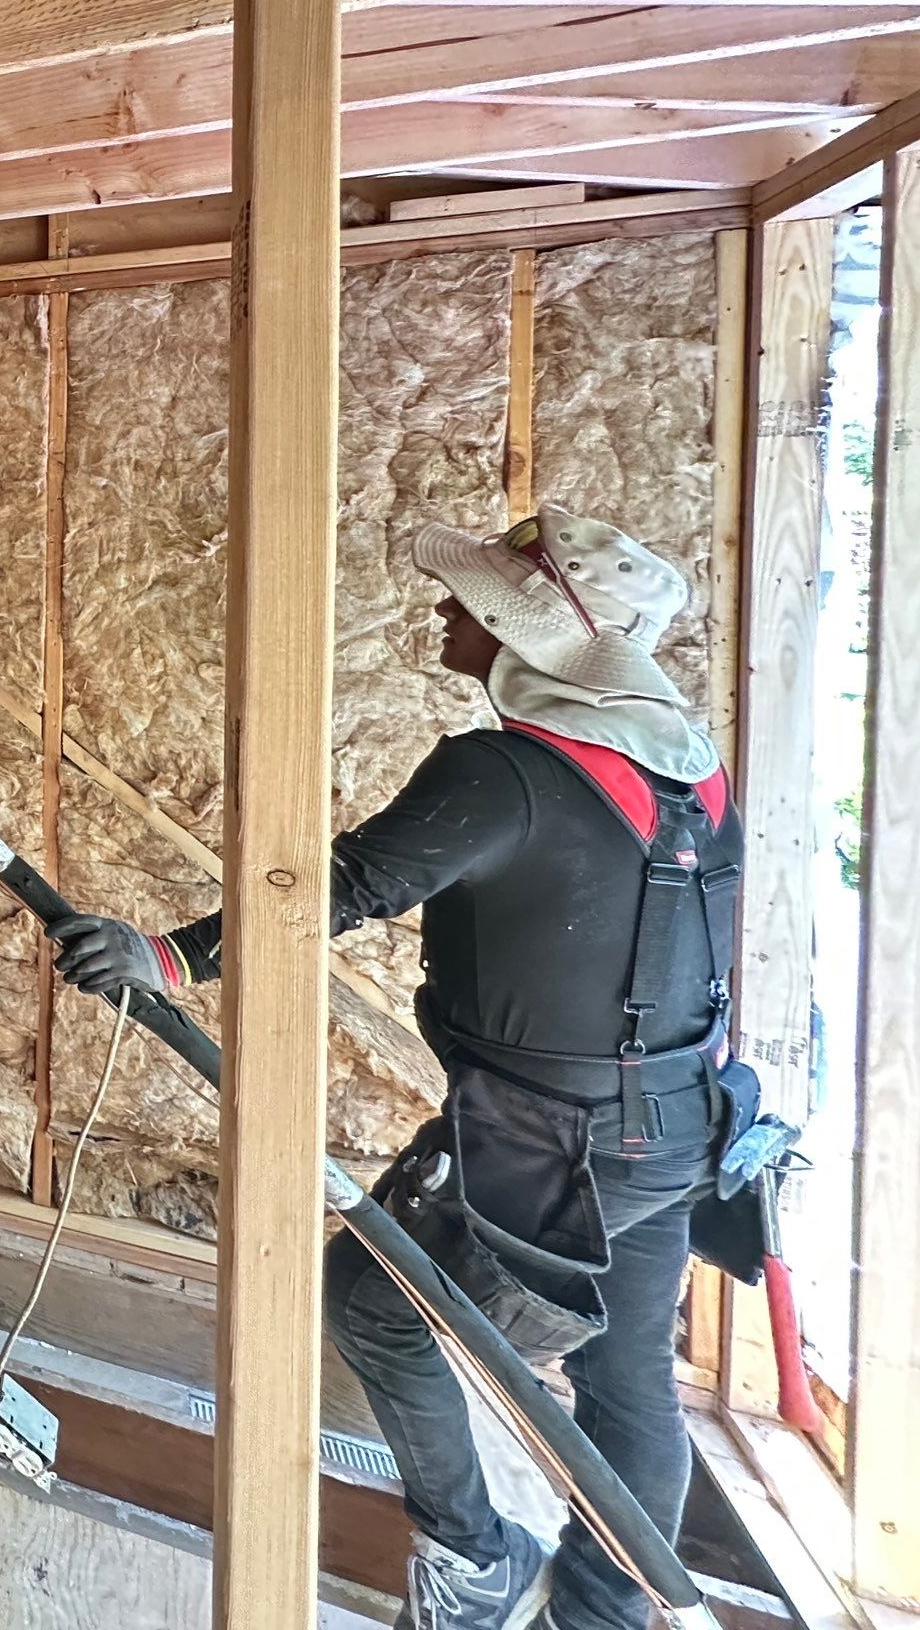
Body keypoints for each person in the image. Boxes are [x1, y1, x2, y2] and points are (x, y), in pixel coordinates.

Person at [51, 511, 747, 1630]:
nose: (443, 610)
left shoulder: (503, 774)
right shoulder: (690, 776)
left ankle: (477, 1557)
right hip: (679, 1125)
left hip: (548, 1140)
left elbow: (337, 889)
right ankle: (607, 1614)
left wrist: (170, 958)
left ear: (525, 636)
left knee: (371, 1302)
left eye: (470, 604)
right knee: (627, 1383)